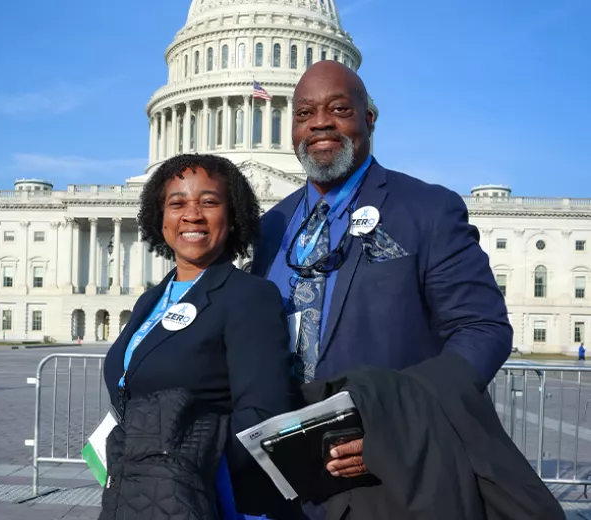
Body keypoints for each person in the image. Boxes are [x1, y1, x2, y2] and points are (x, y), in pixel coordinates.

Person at [250, 60, 514, 516]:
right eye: (304, 113)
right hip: (286, 481)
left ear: (368, 117)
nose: (320, 124)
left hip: (390, 475)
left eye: (338, 108)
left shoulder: (426, 210)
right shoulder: (269, 227)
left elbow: (482, 328)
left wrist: (395, 420)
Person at [101, 154, 294, 520]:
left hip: (206, 497)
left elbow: (265, 414)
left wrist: (176, 459)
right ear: (160, 218)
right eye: (177, 203)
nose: (192, 214)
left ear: (233, 215)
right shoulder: (150, 299)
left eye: (208, 202)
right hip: (137, 494)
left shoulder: (248, 296)